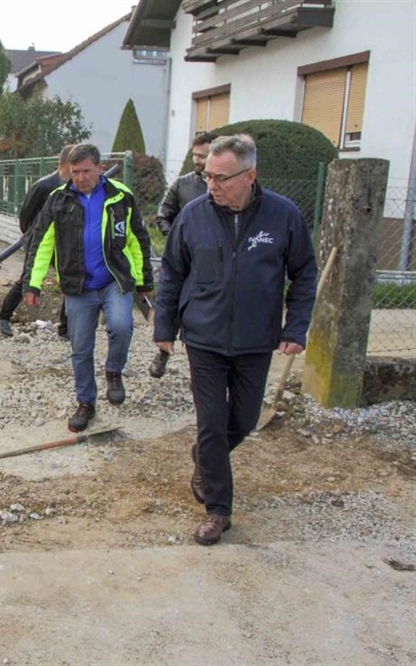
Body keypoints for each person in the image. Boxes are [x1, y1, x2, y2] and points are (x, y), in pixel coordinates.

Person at [153, 134, 317, 546]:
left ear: (250, 175)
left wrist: (296, 327)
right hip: (204, 337)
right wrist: (164, 329)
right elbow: (172, 273)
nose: (212, 185)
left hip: (255, 338)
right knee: (211, 423)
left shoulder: (283, 216)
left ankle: (206, 460)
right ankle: (218, 511)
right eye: (208, 175)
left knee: (243, 421)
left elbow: (304, 274)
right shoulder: (193, 216)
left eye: (222, 177)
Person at [23, 143, 154, 433]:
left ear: (99, 168)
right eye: (74, 172)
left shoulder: (121, 196)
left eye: (86, 171)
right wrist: (32, 283)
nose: (80, 178)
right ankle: (86, 402)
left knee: (121, 326)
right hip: (76, 285)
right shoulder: (58, 199)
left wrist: (144, 281)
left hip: (114, 279)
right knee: (81, 348)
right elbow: (41, 242)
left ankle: (113, 371)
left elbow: (138, 238)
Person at [148, 131, 217, 378]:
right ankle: (163, 351)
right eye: (195, 155)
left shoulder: (223, 186)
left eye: (202, 156)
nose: (197, 160)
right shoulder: (183, 184)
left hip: (212, 262)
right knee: (171, 302)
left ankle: (202, 367)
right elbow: (162, 216)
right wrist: (176, 239)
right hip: (183, 259)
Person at [0, 145, 73, 339]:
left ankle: (65, 328)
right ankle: (4, 316)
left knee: (69, 281)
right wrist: (33, 236)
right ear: (65, 163)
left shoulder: (75, 188)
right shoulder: (44, 185)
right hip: (40, 240)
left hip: (64, 243)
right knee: (27, 280)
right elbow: (25, 215)